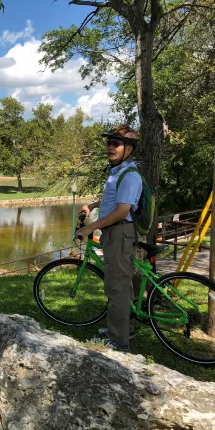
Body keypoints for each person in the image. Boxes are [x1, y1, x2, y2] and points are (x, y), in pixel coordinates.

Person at [75, 125, 143, 351]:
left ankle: (117, 340)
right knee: (123, 283)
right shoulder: (118, 172)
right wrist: (94, 205)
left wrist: (89, 228)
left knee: (117, 287)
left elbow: (123, 210)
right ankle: (127, 329)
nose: (110, 147)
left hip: (121, 232)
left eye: (116, 143)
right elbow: (114, 199)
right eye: (109, 143)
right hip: (116, 232)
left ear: (130, 149)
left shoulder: (130, 175)